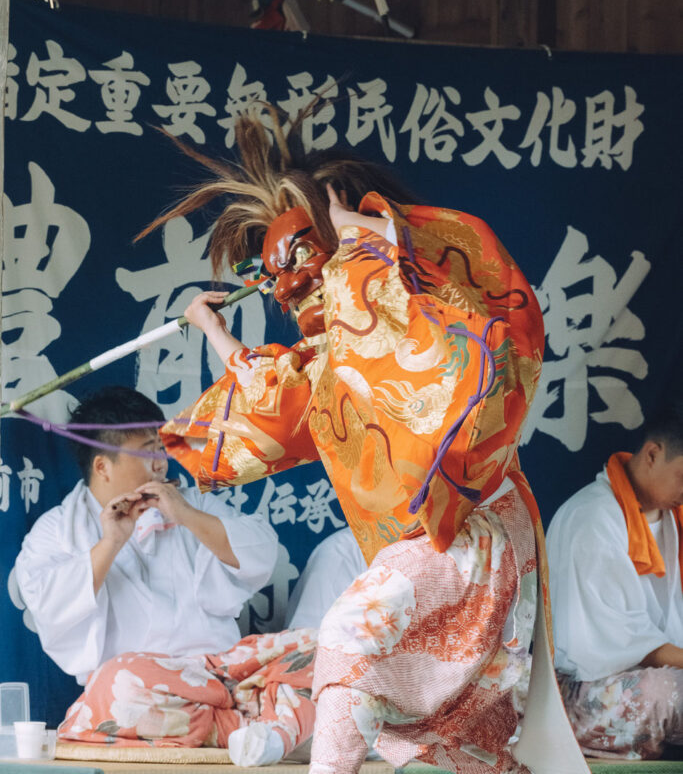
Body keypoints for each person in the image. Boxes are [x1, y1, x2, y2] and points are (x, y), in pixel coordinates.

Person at [147, 114, 549, 774]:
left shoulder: (398, 301)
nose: (287, 284)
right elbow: (270, 405)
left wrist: (366, 236)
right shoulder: (326, 359)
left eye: (302, 258)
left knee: (348, 634)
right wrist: (210, 328)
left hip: (467, 528)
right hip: (420, 544)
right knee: (461, 733)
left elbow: (417, 320)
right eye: (272, 273)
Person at [15, 386, 316, 761]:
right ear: (102, 466)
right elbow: (49, 603)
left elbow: (259, 551)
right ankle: (260, 728)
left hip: (224, 671)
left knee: (321, 648)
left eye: (162, 448)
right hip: (144, 689)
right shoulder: (57, 529)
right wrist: (111, 542)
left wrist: (185, 514)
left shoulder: (192, 502)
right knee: (118, 683)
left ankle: (232, 725)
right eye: (147, 451)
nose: (161, 462)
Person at [546, 405, 683, 760]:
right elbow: (625, 642)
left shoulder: (671, 516)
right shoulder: (592, 518)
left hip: (657, 668)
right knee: (666, 691)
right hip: (587, 690)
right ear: (654, 453)